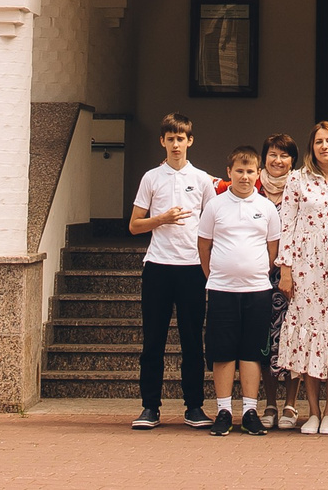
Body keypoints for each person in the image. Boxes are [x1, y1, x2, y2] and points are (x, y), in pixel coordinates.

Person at [129, 112, 218, 430]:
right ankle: (149, 407)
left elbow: (213, 223)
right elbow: (134, 225)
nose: (176, 144)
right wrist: (161, 219)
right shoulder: (151, 178)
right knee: (153, 340)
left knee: (193, 341)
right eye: (171, 138)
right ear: (162, 142)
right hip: (158, 267)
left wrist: (210, 266)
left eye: (181, 138)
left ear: (190, 141)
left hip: (192, 269)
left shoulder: (203, 179)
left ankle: (194, 407)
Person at [197, 144, 285, 436]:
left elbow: (274, 250)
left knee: (251, 352)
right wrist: (216, 275)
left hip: (257, 291)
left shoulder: (266, 207)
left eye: (250, 171)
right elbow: (204, 246)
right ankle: (224, 410)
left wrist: (256, 272)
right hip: (222, 290)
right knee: (223, 353)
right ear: (229, 173)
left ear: (257, 174)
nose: (245, 177)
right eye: (239, 171)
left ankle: (249, 410)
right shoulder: (214, 206)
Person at [276, 121, 328, 434]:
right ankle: (312, 412)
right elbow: (287, 225)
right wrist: (286, 269)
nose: (325, 147)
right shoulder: (296, 180)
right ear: (312, 146)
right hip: (306, 268)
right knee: (308, 338)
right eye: (320, 141)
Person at [257, 133, 300, 430]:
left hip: (294, 276)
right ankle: (269, 402)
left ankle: (291, 404)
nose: (278, 160)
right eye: (273, 154)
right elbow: (213, 183)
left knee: (292, 336)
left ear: (292, 161)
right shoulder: (250, 186)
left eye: (284, 155)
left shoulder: (300, 187)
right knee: (263, 340)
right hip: (257, 276)